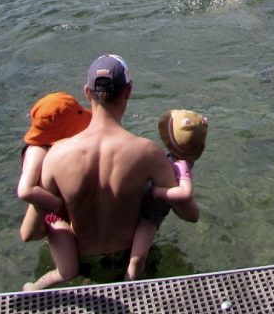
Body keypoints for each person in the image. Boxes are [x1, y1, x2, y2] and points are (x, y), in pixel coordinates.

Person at [30, 55, 188, 290]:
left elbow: (33, 230)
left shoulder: (56, 155)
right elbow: (186, 212)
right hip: (129, 264)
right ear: (128, 91)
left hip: (77, 264)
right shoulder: (146, 152)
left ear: (87, 92)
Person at [17, 92, 91, 288]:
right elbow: (25, 190)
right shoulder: (37, 152)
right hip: (51, 217)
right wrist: (58, 204)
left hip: (63, 212)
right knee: (68, 271)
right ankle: (34, 288)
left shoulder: (61, 147)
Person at [126, 109, 207, 281]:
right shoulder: (180, 163)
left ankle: (129, 281)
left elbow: (185, 193)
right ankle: (130, 280)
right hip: (149, 212)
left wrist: (156, 191)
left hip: (146, 212)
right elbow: (185, 194)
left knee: (138, 255)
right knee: (137, 255)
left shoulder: (176, 162)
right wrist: (156, 191)